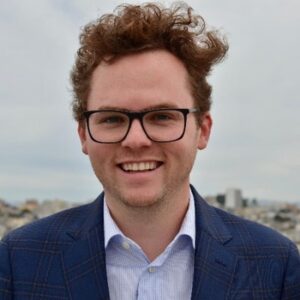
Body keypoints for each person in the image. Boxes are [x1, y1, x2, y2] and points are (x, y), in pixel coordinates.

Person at [1, 2, 300, 299]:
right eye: (112, 119)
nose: (135, 140)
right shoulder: (17, 262)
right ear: (83, 134)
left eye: (161, 116)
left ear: (203, 129)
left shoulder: (276, 266)